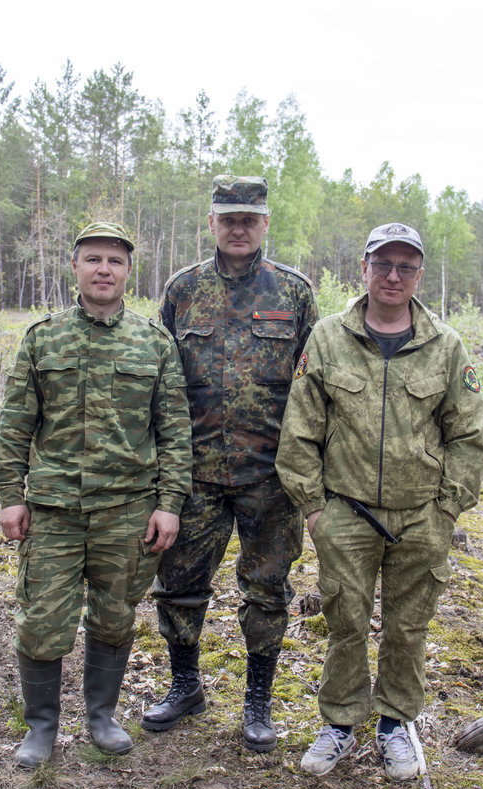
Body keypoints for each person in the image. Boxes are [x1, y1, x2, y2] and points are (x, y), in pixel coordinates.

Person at [275, 222, 483, 781]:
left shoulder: (445, 345)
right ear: (364, 269)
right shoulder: (326, 337)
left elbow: (468, 437)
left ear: (418, 275)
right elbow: (299, 431)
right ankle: (340, 722)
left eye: (406, 267)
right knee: (345, 620)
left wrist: (447, 510)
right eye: (383, 264)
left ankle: (396, 722)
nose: (393, 276)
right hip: (344, 512)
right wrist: (315, 508)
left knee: (408, 625)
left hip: (421, 514)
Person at [0, 221, 192, 768]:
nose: (104, 269)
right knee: (41, 620)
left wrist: (169, 503)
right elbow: (15, 426)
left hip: (127, 511)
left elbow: (174, 431)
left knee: (113, 617)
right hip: (54, 511)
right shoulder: (43, 338)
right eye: (93, 259)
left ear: (129, 271)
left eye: (115, 261)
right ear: (75, 266)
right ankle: (41, 727)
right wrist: (11, 495)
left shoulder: (154, 343)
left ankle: (101, 717)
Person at [144, 175, 318, 753]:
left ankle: (258, 700)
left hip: (271, 478)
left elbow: (315, 386)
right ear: (212, 223)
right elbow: (159, 380)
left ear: (265, 223)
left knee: (267, 589)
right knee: (179, 584)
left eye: (250, 218)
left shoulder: (293, 292)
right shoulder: (182, 289)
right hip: (194, 475)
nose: (239, 228)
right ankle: (186, 685)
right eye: (228, 219)